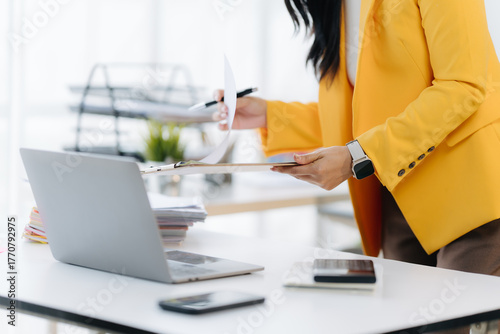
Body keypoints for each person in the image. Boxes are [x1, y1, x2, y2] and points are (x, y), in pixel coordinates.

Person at [215, 0, 500, 283]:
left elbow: (462, 85)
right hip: (399, 195)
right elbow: (359, 120)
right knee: (404, 322)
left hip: (472, 193)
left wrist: (357, 156)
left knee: (444, 321)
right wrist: (269, 115)